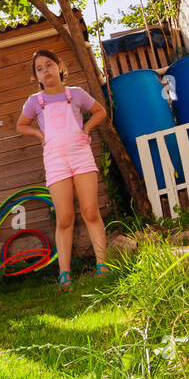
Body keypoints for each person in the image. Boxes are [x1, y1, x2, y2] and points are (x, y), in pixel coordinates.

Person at [16, 49, 109, 289]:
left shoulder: (75, 94)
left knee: (90, 212)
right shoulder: (35, 102)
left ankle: (103, 266)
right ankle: (65, 274)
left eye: (48, 64)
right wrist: (39, 133)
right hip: (55, 160)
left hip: (81, 156)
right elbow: (21, 125)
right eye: (39, 68)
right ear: (36, 77)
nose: (45, 70)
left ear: (59, 66)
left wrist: (87, 129)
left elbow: (100, 111)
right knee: (65, 218)